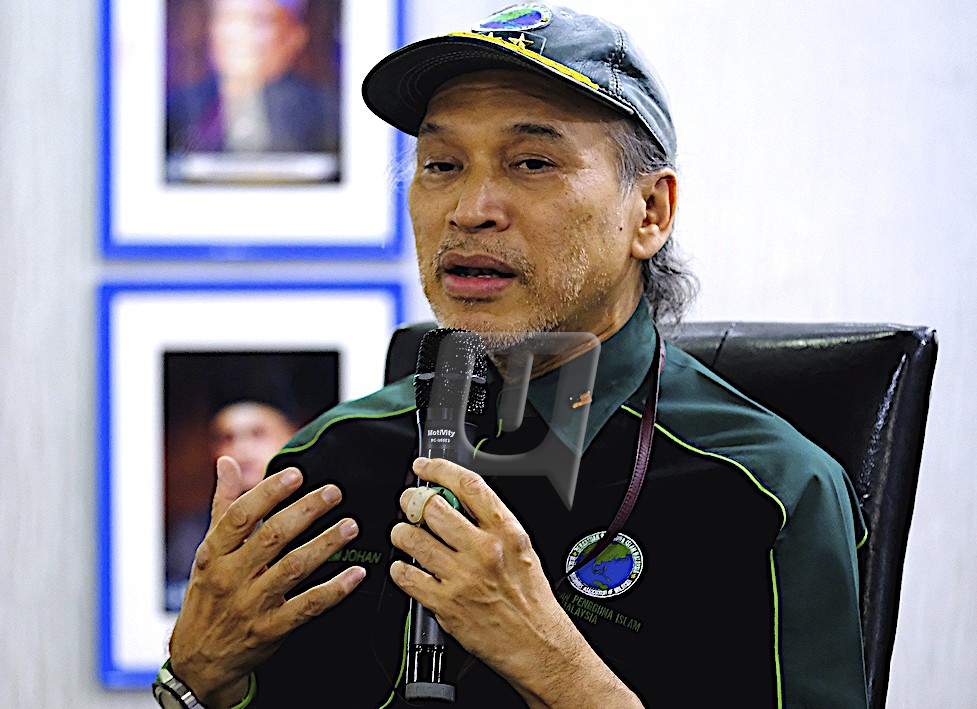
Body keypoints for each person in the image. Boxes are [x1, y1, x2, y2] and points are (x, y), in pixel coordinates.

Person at [157, 5, 869, 708]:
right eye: (441, 164)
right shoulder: (328, 461)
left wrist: (555, 668)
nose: (470, 210)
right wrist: (197, 680)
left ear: (649, 212)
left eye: (532, 163)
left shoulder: (765, 491)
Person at [165, 400, 299, 610]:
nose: (242, 450)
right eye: (227, 438)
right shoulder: (189, 534)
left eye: (258, 434)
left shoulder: (318, 519)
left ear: (292, 436)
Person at [166, 0, 339, 155]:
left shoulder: (326, 117)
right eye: (227, 18)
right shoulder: (178, 110)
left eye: (259, 21)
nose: (239, 34)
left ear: (294, 36)